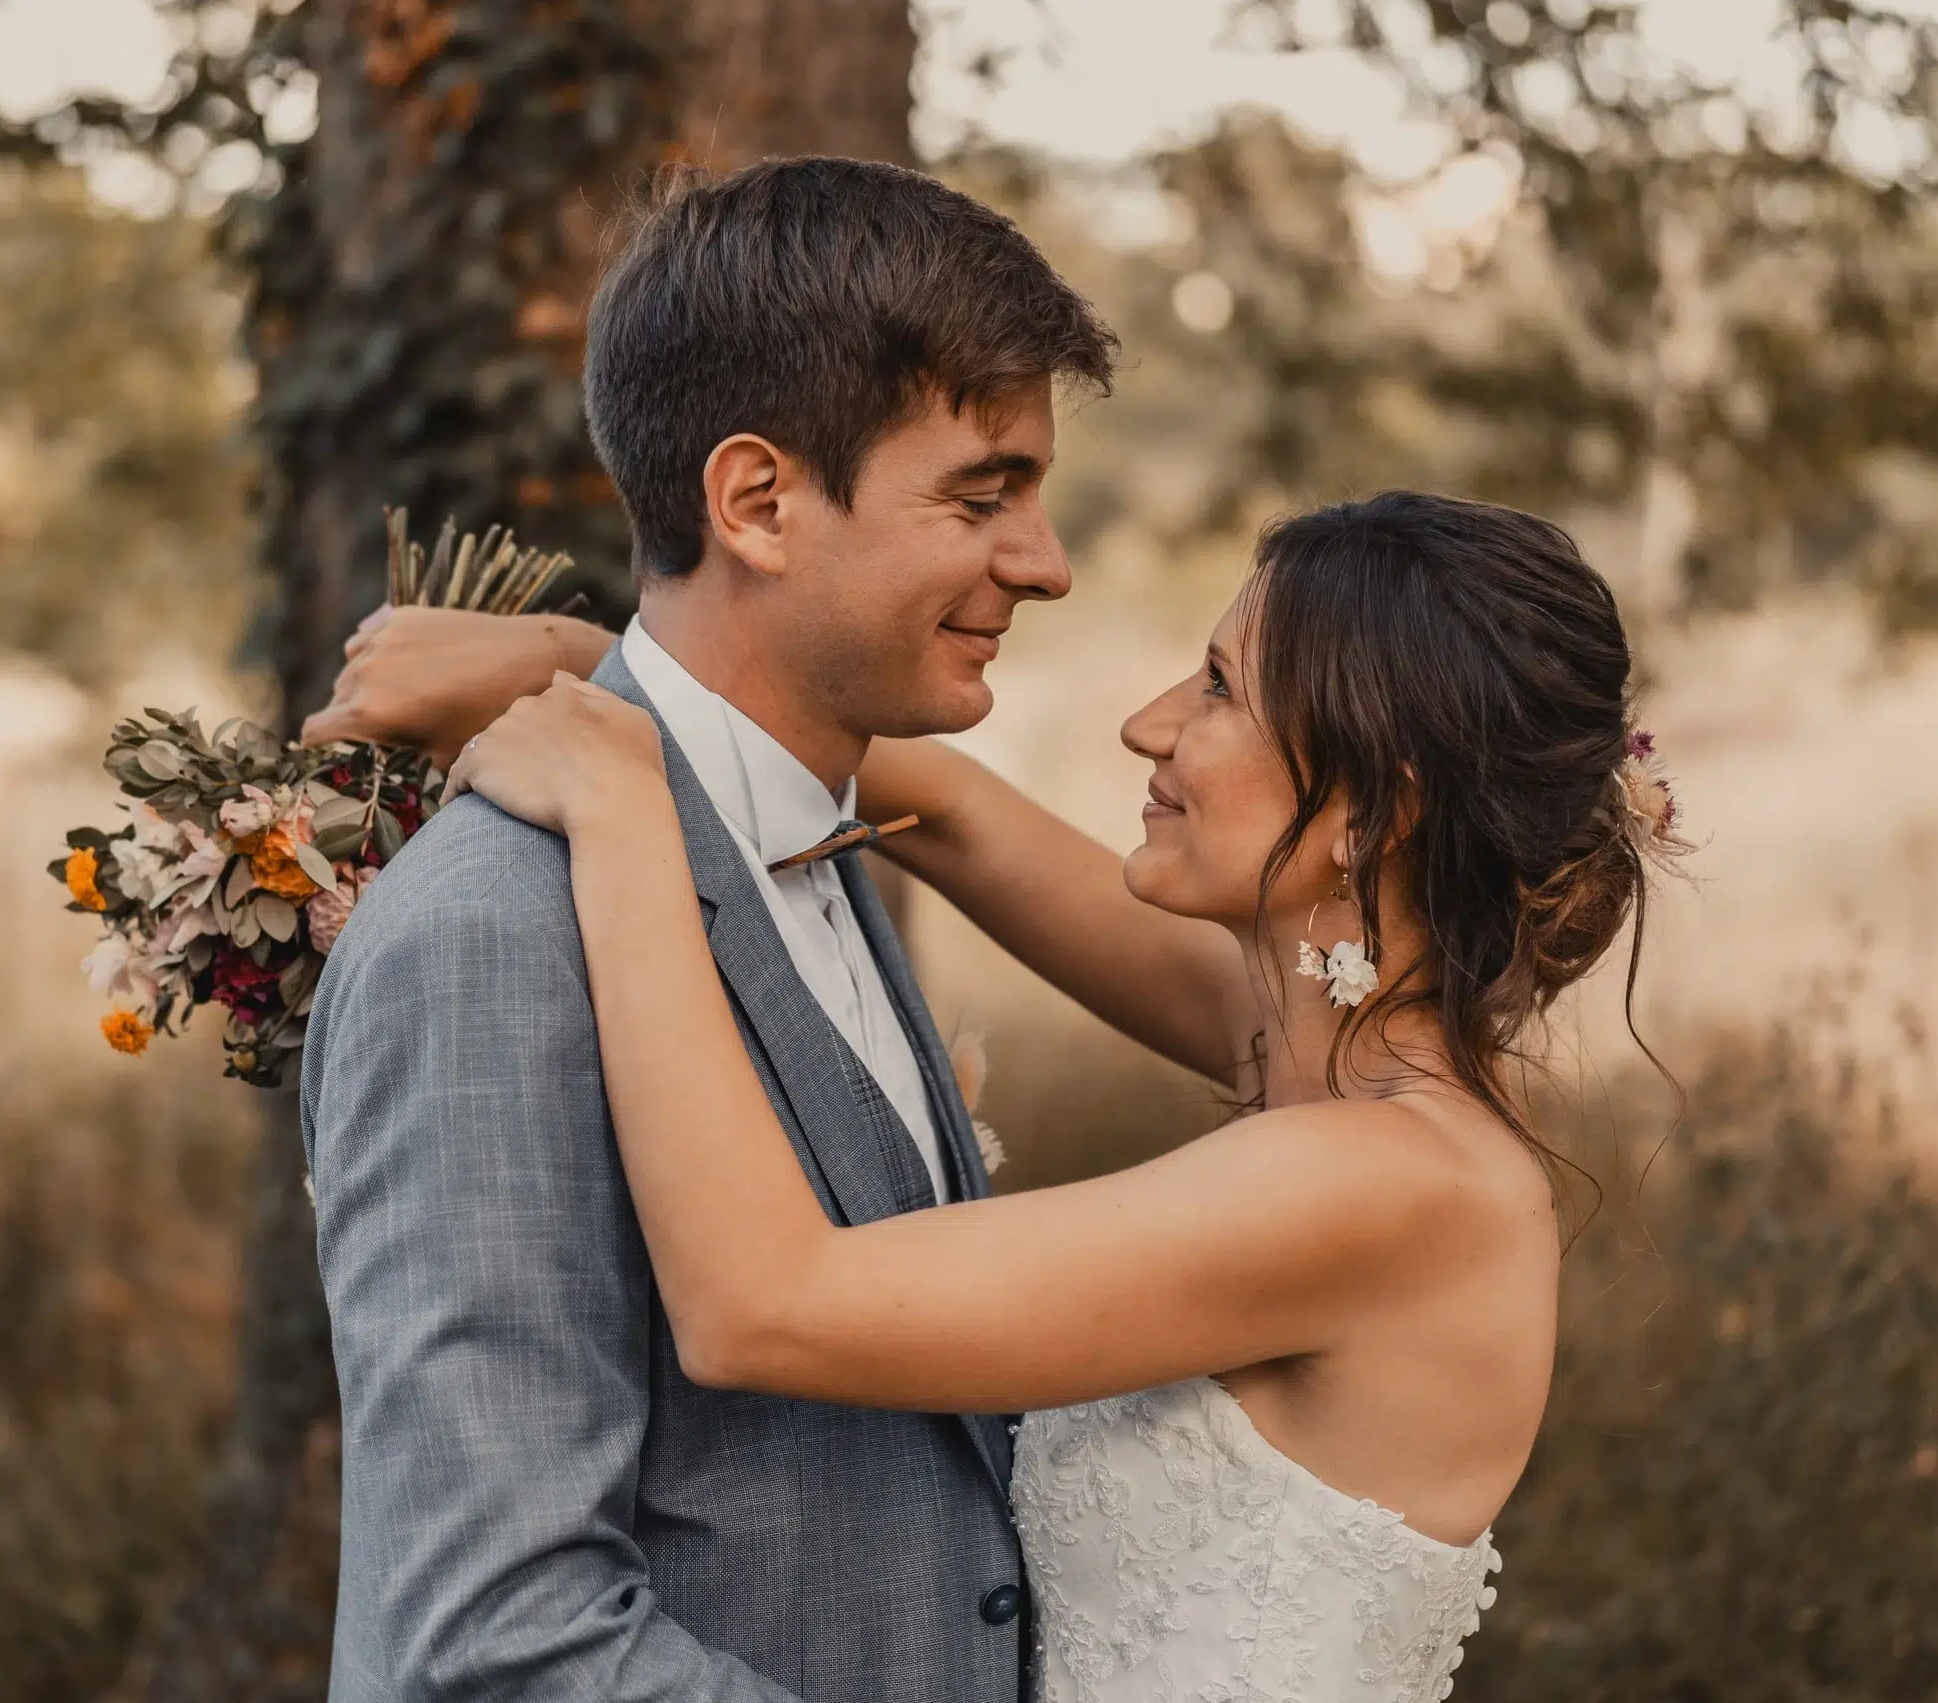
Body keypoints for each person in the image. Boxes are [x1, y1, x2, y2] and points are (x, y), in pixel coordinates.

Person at [342, 491, 1687, 1700]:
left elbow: (764, 1302)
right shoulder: (1328, 1041)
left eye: (1220, 688)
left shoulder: (1388, 1183)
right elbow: (958, 813)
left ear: (1371, 816)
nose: (1146, 721)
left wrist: (627, 819)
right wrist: (590, 671)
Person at [297, 155, 1115, 1703]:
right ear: (756, 502)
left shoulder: (828, 825)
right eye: (984, 492)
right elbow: (493, 1641)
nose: (1045, 561)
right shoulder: (491, 934)